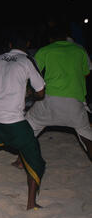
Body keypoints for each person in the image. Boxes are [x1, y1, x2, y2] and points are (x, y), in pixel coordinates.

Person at [0, 33, 47, 210]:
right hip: (13, 119)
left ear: (9, 44)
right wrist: (28, 92)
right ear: (28, 44)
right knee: (36, 159)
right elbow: (41, 93)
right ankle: (31, 203)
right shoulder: (27, 61)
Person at [22, 27, 92, 161]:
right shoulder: (79, 50)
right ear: (66, 37)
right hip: (74, 102)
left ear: (50, 39)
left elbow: (33, 73)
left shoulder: (45, 50)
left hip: (49, 100)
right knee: (88, 139)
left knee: (28, 128)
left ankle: (20, 161)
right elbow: (87, 72)